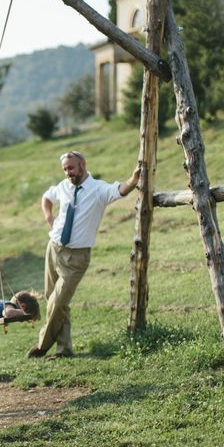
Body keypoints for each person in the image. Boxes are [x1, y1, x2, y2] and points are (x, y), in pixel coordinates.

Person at [26, 151, 141, 360]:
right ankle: (64, 350)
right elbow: (46, 197)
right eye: (65, 169)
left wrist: (134, 179)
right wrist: (48, 216)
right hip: (53, 249)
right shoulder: (63, 186)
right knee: (55, 300)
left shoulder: (98, 190)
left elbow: (121, 189)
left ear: (82, 164)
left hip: (76, 257)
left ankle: (42, 346)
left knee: (58, 303)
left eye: (71, 168)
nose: (68, 173)